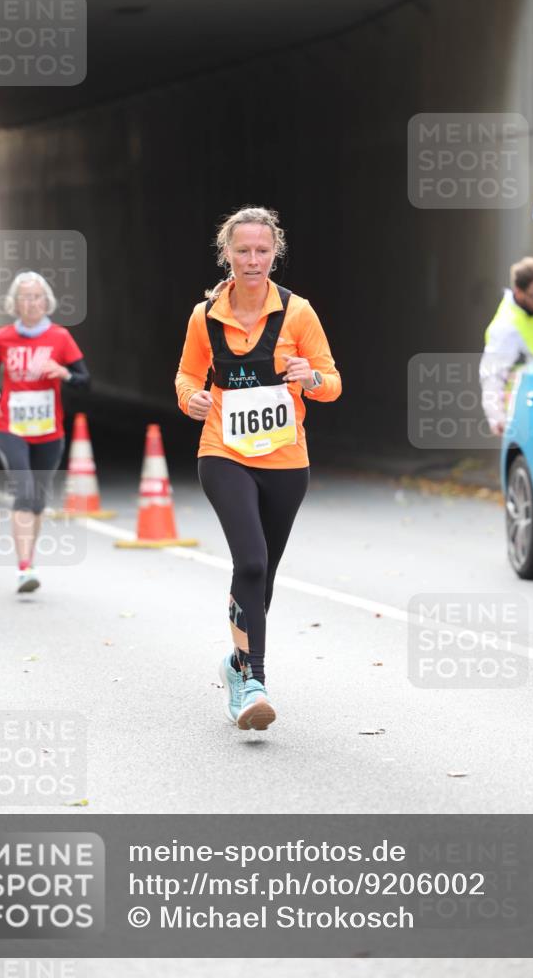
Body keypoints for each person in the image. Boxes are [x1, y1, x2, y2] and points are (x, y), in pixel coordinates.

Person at [175, 207, 341, 731]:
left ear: (275, 254)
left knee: (262, 575)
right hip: (222, 453)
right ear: (227, 253)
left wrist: (309, 376)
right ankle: (254, 681)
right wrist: (191, 400)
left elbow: (333, 382)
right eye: (242, 251)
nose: (252, 260)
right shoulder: (205, 316)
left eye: (262, 251)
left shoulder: (299, 313)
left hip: (287, 461)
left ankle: (235, 662)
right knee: (248, 561)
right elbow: (185, 374)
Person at [0, 271, 90, 593]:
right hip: (10, 427)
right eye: (25, 297)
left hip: (48, 430)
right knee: (25, 491)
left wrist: (64, 373)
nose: (31, 303)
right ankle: (23, 568)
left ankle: (29, 560)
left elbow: (85, 380)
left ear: (47, 302)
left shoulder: (60, 338)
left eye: (37, 297)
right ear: (15, 303)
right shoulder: (3, 337)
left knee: (38, 500)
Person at [480, 256, 533, 435]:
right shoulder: (506, 327)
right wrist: (496, 416)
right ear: (518, 291)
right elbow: (492, 375)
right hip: (523, 410)